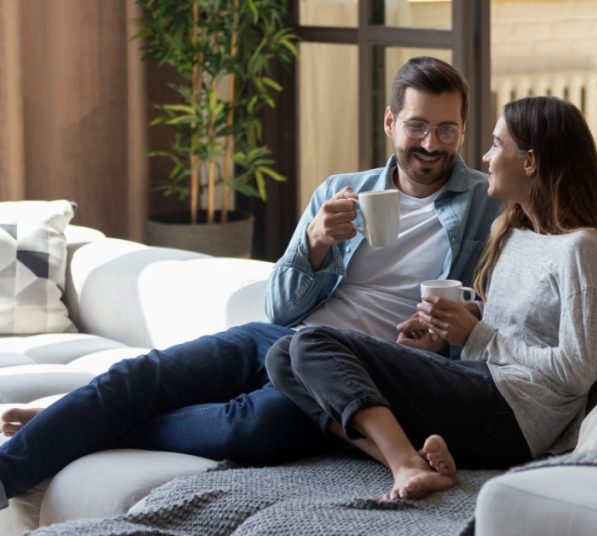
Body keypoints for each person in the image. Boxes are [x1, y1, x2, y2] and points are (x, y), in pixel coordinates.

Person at [0, 56, 503, 508]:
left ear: (462, 130)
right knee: (140, 376)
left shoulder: (490, 204)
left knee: (252, 427)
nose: (432, 145)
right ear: (391, 122)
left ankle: (73, 423)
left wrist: (447, 335)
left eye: (447, 130)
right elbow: (280, 308)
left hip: (358, 375)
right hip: (284, 341)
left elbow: (495, 315)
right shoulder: (341, 191)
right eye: (418, 126)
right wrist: (315, 240)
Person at [265, 96, 597, 500]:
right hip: (479, 390)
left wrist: (476, 334)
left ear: (530, 161)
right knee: (282, 356)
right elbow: (518, 325)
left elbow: (575, 370)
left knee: (312, 341)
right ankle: (410, 459)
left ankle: (405, 464)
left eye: (497, 145)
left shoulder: (583, 248)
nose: (485, 156)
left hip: (516, 415)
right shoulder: (513, 233)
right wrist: (448, 328)